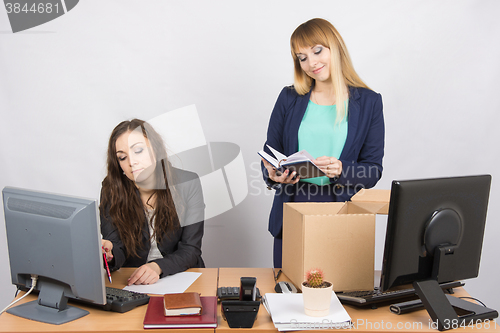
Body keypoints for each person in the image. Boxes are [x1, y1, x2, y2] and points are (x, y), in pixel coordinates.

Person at [261, 18, 385, 268]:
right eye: (302, 57)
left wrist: (342, 170)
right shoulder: (289, 98)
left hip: (341, 213)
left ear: (335, 48)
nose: (311, 63)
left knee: (340, 297)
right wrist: (273, 175)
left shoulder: (369, 102)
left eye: (317, 51)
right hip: (292, 208)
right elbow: (269, 154)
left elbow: (373, 170)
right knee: (289, 297)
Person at [100, 119, 205, 285]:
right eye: (122, 157)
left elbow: (191, 249)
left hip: (181, 276)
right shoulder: (111, 188)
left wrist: (157, 267)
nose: (131, 162)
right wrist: (109, 253)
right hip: (133, 280)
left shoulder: (188, 182)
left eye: (138, 150)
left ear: (155, 150)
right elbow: (117, 248)